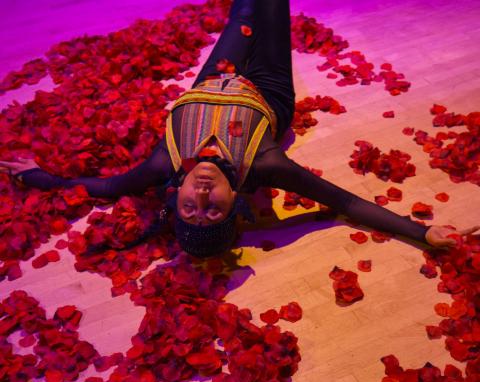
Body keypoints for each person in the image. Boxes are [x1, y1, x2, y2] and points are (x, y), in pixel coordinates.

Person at [1, 0, 477, 257]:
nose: (203, 198)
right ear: (235, 205)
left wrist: (35, 175)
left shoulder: (163, 163)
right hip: (266, 91)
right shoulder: (266, 164)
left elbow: (103, 186)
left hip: (214, 80)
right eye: (213, 211)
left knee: (242, 12)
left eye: (191, 208)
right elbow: (344, 203)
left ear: (176, 196)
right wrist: (422, 232)